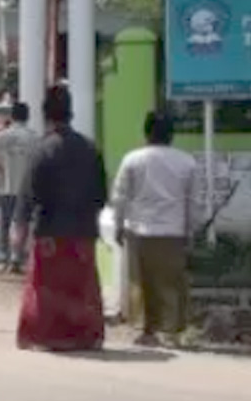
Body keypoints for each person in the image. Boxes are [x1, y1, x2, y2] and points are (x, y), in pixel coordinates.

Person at [14, 83, 108, 353]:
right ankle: (84, 337)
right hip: (83, 231)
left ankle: (46, 336)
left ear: (46, 115)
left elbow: (28, 196)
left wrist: (19, 235)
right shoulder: (90, 149)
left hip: (50, 232)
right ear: (71, 113)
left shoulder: (40, 150)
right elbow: (101, 196)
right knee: (82, 285)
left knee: (46, 287)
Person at [112, 111, 198, 347]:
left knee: (141, 282)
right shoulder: (186, 161)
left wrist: (118, 225)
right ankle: (172, 332)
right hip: (173, 231)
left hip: (138, 230)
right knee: (171, 282)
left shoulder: (132, 159)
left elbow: (120, 196)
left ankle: (146, 330)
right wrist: (191, 231)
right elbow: (192, 200)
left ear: (146, 132)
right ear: (172, 134)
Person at [0, 101, 38, 274]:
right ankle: (18, 258)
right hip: (26, 190)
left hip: (7, 187)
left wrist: (1, 181)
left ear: (12, 116)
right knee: (24, 224)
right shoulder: (34, 137)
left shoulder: (2, 137)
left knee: (4, 224)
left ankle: (2, 258)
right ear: (28, 116)